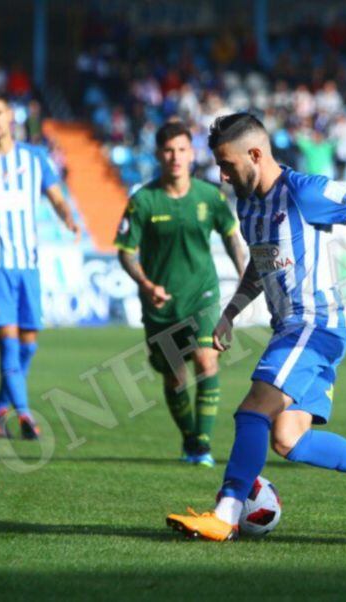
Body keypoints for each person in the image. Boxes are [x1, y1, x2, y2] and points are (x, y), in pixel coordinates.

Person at [165, 113, 346, 541]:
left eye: (227, 165)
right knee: (288, 439)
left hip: (315, 325)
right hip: (293, 327)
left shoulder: (305, 191)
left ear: (256, 154)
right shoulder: (247, 204)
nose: (223, 176)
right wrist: (230, 312)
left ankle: (225, 516)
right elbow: (260, 267)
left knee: (252, 411)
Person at [0, 90, 80, 440]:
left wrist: (68, 218)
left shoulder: (35, 157)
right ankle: (25, 414)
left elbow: (56, 196)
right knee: (8, 344)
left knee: (29, 344)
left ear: (11, 116)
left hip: (28, 263)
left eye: (0, 112)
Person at [117, 121, 246, 467]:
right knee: (174, 375)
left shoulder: (209, 196)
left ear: (192, 154)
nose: (175, 157)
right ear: (159, 154)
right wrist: (146, 285)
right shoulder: (143, 201)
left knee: (207, 359)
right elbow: (126, 251)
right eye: (169, 150)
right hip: (160, 304)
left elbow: (232, 236)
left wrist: (244, 274)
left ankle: (202, 445)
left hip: (202, 295)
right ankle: (191, 440)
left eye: (182, 150)